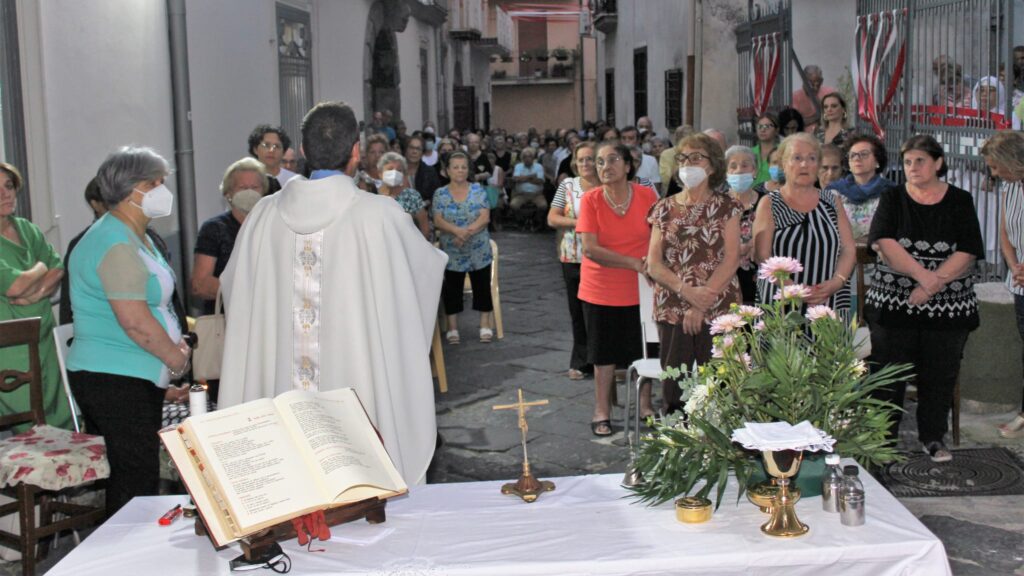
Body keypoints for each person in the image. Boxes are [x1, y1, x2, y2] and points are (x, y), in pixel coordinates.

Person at [219, 102, 446, 486]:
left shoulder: (261, 217)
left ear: (303, 151)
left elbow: (235, 295)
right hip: (360, 388)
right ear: (356, 152)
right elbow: (421, 279)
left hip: (280, 396)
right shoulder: (381, 216)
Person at [67, 147, 189, 516]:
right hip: (112, 376)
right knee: (135, 478)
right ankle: (123, 546)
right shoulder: (114, 242)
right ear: (129, 189)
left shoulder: (137, 235)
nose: (162, 190)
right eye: (154, 184)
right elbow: (134, 320)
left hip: (132, 374)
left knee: (138, 473)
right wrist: (176, 359)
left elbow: (157, 304)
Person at [865, 135, 984, 463]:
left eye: (920, 161)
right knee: (888, 374)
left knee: (940, 373)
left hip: (948, 307)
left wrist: (932, 286)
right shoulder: (892, 197)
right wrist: (924, 277)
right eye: (907, 162)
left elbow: (968, 250)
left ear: (938, 163)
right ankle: (883, 440)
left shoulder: (960, 200)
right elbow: (884, 243)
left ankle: (932, 437)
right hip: (894, 305)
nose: (913, 167)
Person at [647, 134, 741, 414]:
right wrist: (687, 292)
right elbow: (654, 264)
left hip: (718, 304)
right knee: (675, 389)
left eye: (696, 157)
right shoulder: (663, 208)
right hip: (673, 305)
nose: (688, 164)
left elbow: (731, 258)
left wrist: (701, 303)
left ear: (712, 166)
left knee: (721, 386)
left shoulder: (727, 206)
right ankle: (678, 437)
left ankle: (719, 439)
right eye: (683, 158)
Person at [576, 141, 659, 436]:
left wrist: (651, 261)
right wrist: (633, 262)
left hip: (641, 287)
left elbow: (659, 235)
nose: (605, 166)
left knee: (645, 349)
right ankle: (601, 411)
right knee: (603, 355)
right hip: (601, 288)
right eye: (599, 162)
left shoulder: (647, 195)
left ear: (627, 165)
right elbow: (590, 248)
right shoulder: (591, 200)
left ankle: (645, 406)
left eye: (612, 160)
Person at [0, 162, 72, 430]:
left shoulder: (26, 229)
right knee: (29, 426)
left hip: (44, 339)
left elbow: (58, 267)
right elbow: (15, 287)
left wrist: (38, 292)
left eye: (8, 186)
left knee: (60, 416)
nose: (5, 194)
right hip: (10, 348)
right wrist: (40, 267)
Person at [753, 133, 856, 317]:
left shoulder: (832, 201)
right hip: (782, 303)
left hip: (829, 300)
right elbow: (762, 256)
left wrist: (837, 281)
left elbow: (848, 248)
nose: (804, 164)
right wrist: (794, 289)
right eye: (797, 158)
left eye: (812, 158)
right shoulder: (769, 203)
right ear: (783, 164)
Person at [980, 132, 1024, 438]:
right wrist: (1014, 265)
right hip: (1020, 281)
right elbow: (1005, 233)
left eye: (996, 166)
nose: (993, 174)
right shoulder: (1010, 187)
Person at [548, 142, 599, 381]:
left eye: (590, 159)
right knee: (577, 311)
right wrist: (580, 223)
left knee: (599, 311)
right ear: (575, 163)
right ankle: (580, 360)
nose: (585, 163)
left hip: (602, 257)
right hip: (573, 257)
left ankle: (603, 359)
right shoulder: (568, 185)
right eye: (581, 160)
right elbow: (552, 218)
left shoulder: (608, 186)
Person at [192, 158, 269, 314]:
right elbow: (199, 284)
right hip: (226, 317)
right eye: (242, 187)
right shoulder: (214, 228)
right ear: (228, 193)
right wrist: (248, 291)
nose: (249, 192)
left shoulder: (271, 226)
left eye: (255, 187)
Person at [432, 151, 494, 344]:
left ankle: (485, 324)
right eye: (456, 167)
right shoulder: (440, 194)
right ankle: (452, 328)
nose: (460, 170)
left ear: (469, 170)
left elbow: (485, 217)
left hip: (478, 248)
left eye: (464, 167)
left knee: (482, 286)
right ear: (447, 171)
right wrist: (456, 232)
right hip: (452, 250)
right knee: (452, 289)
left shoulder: (478, 190)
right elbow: (438, 220)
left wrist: (465, 233)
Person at [827, 134, 896, 241]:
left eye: (864, 154)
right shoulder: (834, 192)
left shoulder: (891, 192)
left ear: (877, 161)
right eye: (852, 155)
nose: (857, 159)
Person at [724, 145, 764, 304]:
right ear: (726, 172)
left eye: (745, 165)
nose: (739, 170)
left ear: (754, 171)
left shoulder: (767, 202)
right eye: (733, 166)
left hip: (759, 283)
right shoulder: (717, 204)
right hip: (725, 283)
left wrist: (755, 243)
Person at [378, 151, 431, 240]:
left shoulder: (412, 196)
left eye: (399, 170)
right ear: (380, 173)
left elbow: (424, 227)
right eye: (390, 169)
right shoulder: (373, 195)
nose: (394, 173)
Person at [248, 124, 297, 192]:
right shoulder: (245, 179)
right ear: (255, 149)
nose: (271, 150)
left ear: (283, 152)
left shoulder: (295, 181)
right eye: (266, 145)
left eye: (276, 146)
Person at [791, 65, 835, 130]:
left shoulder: (830, 92)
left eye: (819, 83)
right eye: (811, 83)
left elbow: (837, 116)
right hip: (804, 134)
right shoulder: (795, 97)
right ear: (804, 80)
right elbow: (794, 123)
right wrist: (817, 117)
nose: (815, 87)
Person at [404, 134, 442, 205]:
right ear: (406, 150)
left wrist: (423, 204)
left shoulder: (430, 172)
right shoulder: (397, 169)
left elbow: (436, 196)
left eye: (418, 149)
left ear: (422, 153)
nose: (414, 152)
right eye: (411, 148)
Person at [509, 147, 548, 212]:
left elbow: (540, 181)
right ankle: (521, 218)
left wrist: (523, 178)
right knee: (513, 205)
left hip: (536, 195)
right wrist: (531, 176)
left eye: (529, 156)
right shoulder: (518, 166)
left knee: (543, 206)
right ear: (522, 158)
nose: (527, 159)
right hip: (521, 194)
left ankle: (536, 218)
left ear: (533, 158)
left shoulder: (539, 166)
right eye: (525, 157)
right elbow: (516, 179)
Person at [752, 112, 780, 186]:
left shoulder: (781, 152)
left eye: (767, 126)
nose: (762, 130)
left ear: (777, 130)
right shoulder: (750, 152)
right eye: (760, 126)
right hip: (752, 192)